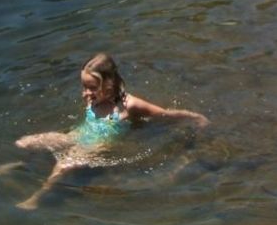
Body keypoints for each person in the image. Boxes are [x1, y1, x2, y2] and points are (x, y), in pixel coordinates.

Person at [11, 53, 207, 209]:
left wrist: (194, 117)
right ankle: (20, 165)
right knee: (26, 142)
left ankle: (36, 198)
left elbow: (165, 115)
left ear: (110, 83)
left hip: (99, 145)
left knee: (64, 164)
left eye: (92, 87)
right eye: (84, 87)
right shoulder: (92, 99)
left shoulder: (129, 105)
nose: (86, 93)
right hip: (78, 136)